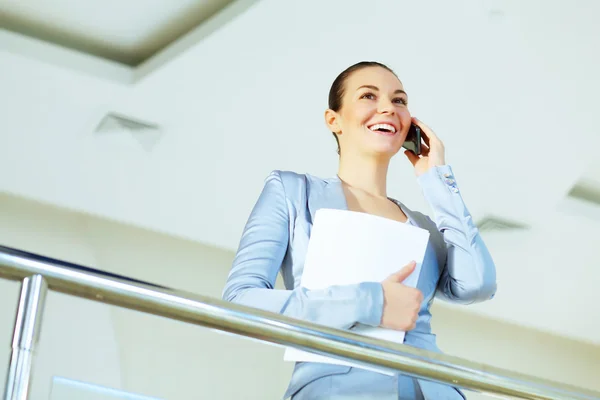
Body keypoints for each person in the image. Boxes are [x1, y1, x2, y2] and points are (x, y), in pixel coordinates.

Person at [222, 61, 497, 399]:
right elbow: (240, 304)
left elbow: (477, 285)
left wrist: (437, 180)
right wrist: (369, 301)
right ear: (333, 120)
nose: (388, 108)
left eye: (399, 101)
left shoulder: (422, 226)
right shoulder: (292, 192)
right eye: (369, 95)